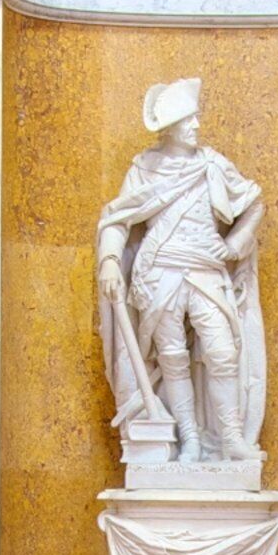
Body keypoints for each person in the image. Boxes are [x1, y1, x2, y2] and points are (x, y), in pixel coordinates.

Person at [95, 79, 267, 465]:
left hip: (205, 271)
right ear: (170, 127)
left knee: (222, 353)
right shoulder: (144, 169)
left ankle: (231, 438)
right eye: (188, 120)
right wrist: (109, 260)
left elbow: (255, 204)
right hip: (159, 275)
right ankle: (189, 440)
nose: (196, 125)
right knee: (172, 358)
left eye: (195, 118)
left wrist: (234, 245)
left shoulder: (213, 165)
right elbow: (117, 220)